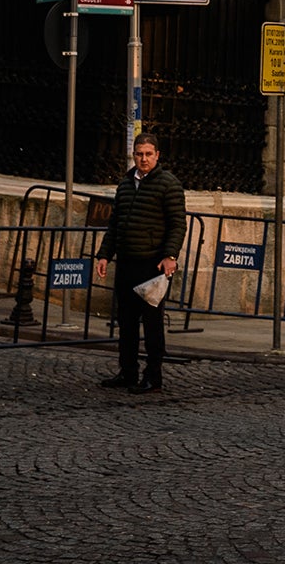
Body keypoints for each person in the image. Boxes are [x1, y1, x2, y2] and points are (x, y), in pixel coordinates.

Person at [92, 134, 186, 393]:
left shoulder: (169, 184)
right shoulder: (124, 184)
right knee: (127, 321)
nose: (143, 159)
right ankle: (128, 371)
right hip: (126, 263)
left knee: (153, 323)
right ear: (133, 155)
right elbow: (115, 225)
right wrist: (103, 255)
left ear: (157, 155)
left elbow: (178, 224)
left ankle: (153, 376)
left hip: (152, 265)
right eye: (139, 154)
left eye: (148, 154)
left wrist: (170, 256)